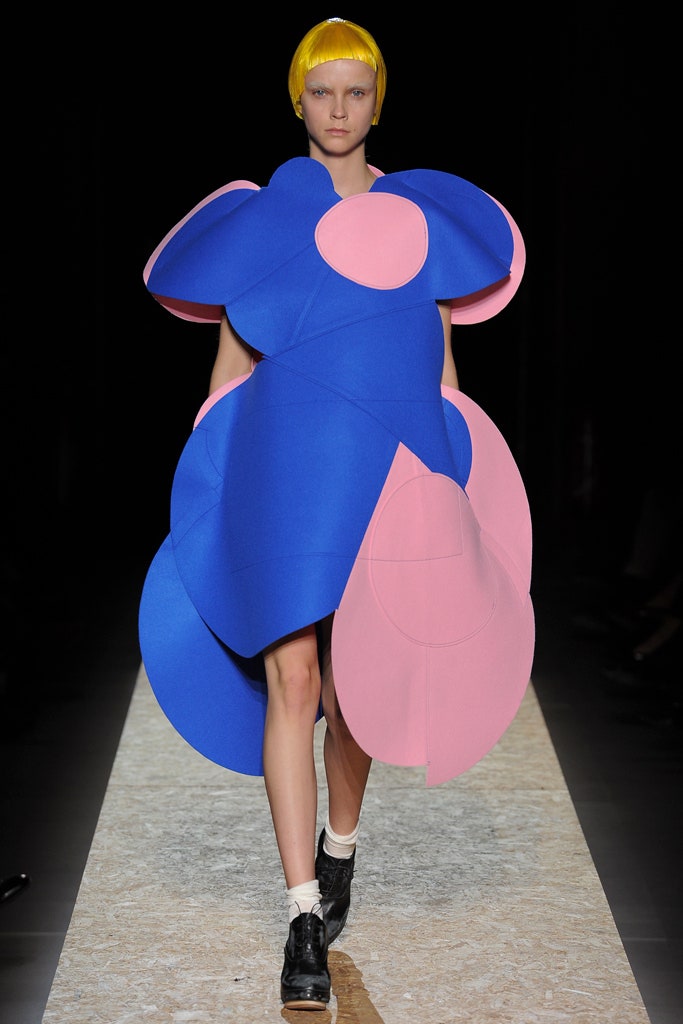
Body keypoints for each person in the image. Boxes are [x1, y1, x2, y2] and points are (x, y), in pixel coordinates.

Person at [139, 17, 534, 1011]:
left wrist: (447, 491)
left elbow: (438, 370)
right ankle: (301, 914)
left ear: (377, 101)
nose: (338, 110)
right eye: (323, 92)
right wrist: (214, 489)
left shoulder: (418, 222)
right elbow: (230, 370)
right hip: (282, 475)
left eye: (356, 92)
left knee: (356, 694)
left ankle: (340, 845)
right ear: (298, 99)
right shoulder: (266, 221)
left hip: (385, 475)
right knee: (295, 678)